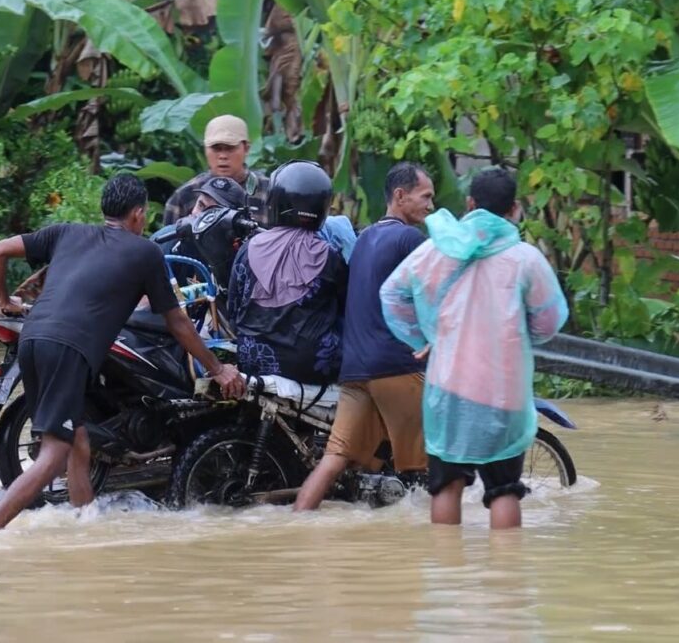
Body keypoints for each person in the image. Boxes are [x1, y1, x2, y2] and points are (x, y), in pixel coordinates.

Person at [0, 174, 246, 531]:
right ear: (137, 214)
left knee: (79, 442)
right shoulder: (145, 251)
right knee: (54, 455)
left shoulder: (65, 232)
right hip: (68, 349)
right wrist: (218, 369)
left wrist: (2, 301)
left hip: (31, 339)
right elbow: (179, 323)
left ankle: (83, 524)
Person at [380, 168, 568, 529]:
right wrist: (517, 337)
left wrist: (424, 339)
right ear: (514, 209)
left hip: (448, 388)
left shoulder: (434, 250)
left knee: (445, 487)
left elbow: (391, 295)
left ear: (469, 204)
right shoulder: (526, 259)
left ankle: (449, 578)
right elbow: (549, 321)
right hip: (503, 391)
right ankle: (504, 579)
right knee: (504, 490)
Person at [294, 162, 434, 511]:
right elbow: (431, 296)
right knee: (431, 464)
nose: (431, 205)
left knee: (335, 459)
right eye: (426, 196)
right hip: (396, 367)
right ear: (400, 196)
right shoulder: (409, 239)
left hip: (355, 370)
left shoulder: (364, 238)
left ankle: (297, 520)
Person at [227, 160, 346, 386]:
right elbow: (348, 307)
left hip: (251, 358)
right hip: (312, 366)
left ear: (276, 201)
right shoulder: (330, 256)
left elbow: (234, 309)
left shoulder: (248, 247)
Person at [162, 115, 269, 226]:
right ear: (205, 149)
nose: (222, 156)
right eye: (216, 148)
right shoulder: (185, 196)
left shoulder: (270, 192)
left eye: (230, 148)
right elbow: (169, 241)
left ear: (246, 148)